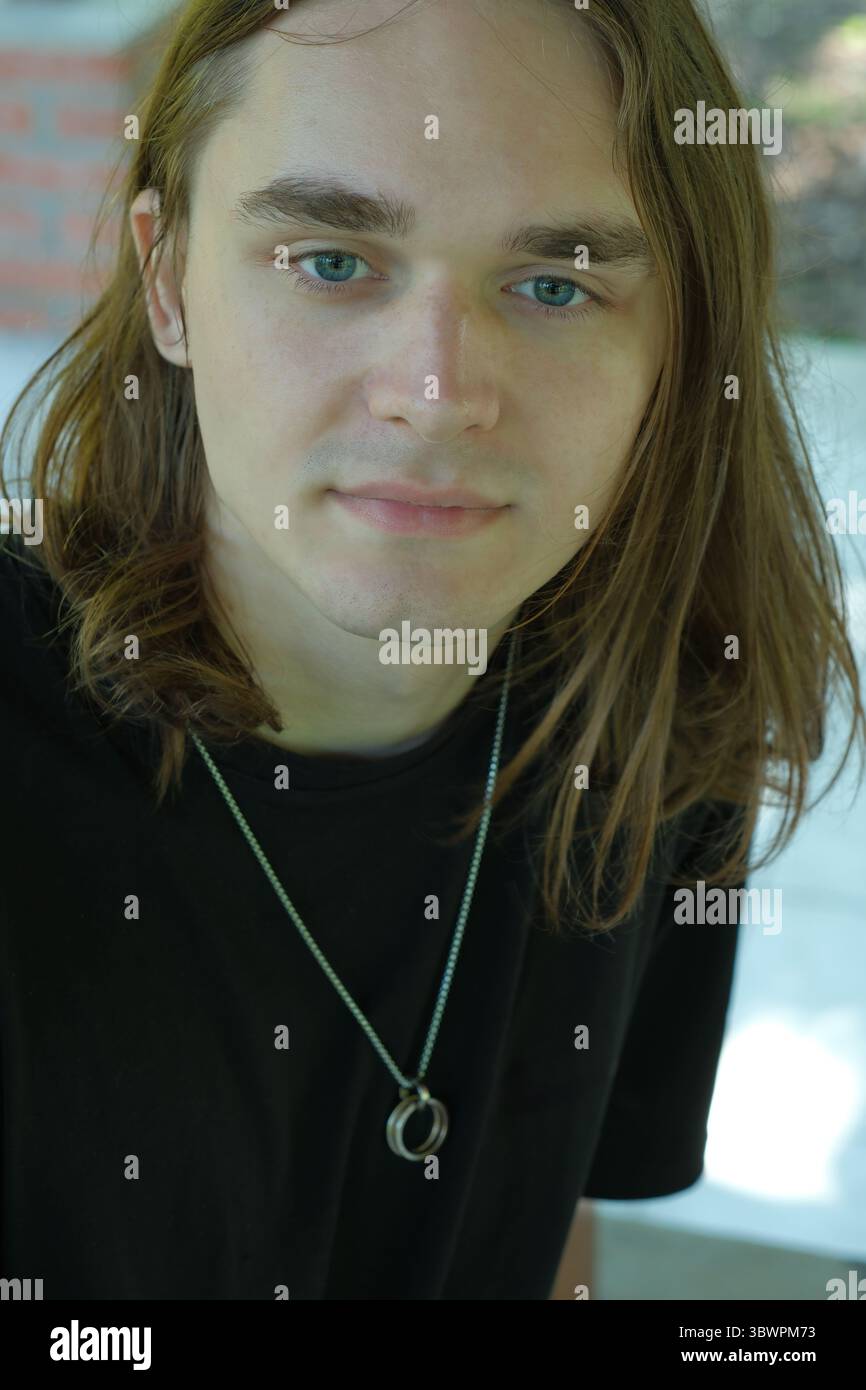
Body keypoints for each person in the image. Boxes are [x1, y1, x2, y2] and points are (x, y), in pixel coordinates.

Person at [0, 0, 862, 1302]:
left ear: (671, 346)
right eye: (331, 260)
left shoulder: (652, 726)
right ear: (167, 279)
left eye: (552, 285)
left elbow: (552, 1227)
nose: (436, 387)